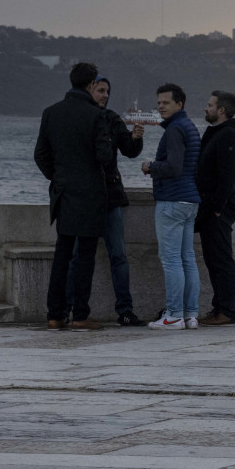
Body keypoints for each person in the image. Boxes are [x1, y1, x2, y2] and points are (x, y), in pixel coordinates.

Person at [33, 62, 114, 331]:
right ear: (91, 85)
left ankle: (54, 315)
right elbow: (104, 155)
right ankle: (80, 315)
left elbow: (40, 155)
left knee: (62, 255)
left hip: (63, 193)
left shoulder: (50, 113)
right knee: (85, 257)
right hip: (90, 194)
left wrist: (58, 178)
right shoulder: (95, 115)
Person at [65, 74, 148, 327]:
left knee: (119, 256)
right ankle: (67, 309)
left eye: (107, 92)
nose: (104, 95)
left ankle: (125, 310)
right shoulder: (79, 118)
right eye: (100, 90)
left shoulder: (111, 119)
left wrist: (136, 138)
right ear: (89, 90)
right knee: (77, 257)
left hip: (110, 196)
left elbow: (129, 151)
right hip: (84, 197)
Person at [142, 83, 201, 331]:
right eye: (158, 103)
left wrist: (150, 166)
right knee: (188, 258)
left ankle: (174, 315)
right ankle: (190, 315)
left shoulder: (175, 129)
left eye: (166, 103)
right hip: (190, 200)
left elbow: (173, 167)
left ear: (180, 104)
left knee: (171, 261)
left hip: (173, 201)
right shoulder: (190, 127)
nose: (160, 107)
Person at [195, 90, 235, 327]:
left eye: (210, 105)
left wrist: (216, 208)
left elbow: (228, 177)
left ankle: (225, 311)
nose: (206, 108)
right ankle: (219, 308)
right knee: (213, 260)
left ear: (221, 110)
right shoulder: (218, 133)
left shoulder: (228, 135)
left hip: (218, 209)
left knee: (221, 260)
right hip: (209, 208)